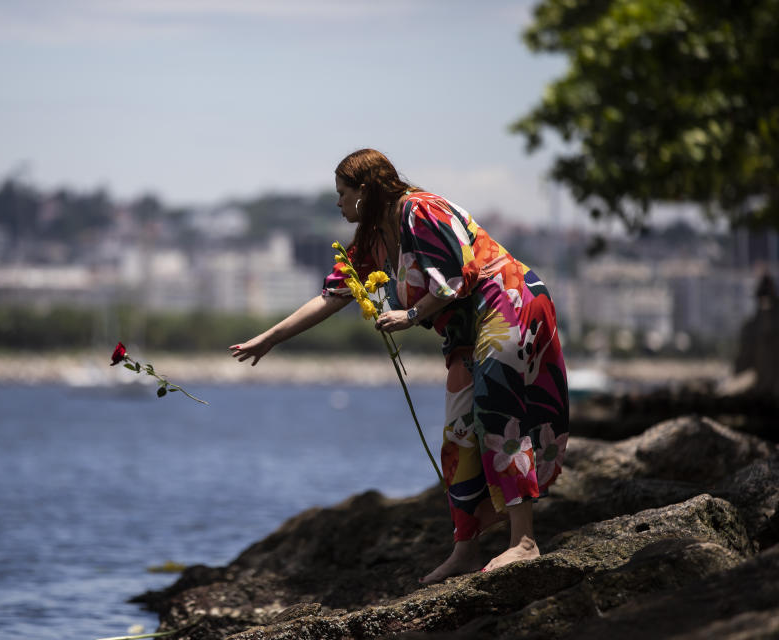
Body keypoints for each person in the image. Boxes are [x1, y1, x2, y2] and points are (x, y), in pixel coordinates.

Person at [229, 148, 569, 582]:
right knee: (459, 430)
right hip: (466, 327)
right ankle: (465, 550)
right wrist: (271, 338)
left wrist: (410, 315)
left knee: (498, 413)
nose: (337, 203)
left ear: (366, 189)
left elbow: (460, 274)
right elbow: (334, 294)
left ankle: (524, 544)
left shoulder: (419, 209)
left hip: (508, 300)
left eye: (342, 193)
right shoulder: (374, 237)